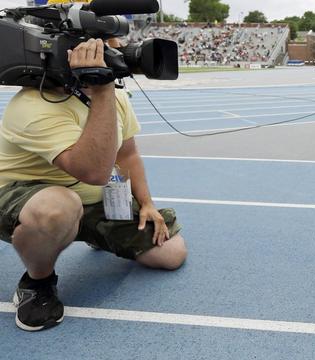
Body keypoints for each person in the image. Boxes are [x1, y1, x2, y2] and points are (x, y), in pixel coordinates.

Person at [0, 38, 188, 332]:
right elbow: (93, 171)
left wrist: (147, 204)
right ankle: (37, 283)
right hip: (25, 200)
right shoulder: (31, 105)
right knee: (58, 210)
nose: (118, 55)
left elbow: (127, 155)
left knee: (171, 253)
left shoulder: (116, 98)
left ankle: (91, 231)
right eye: (107, 49)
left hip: (90, 199)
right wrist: (102, 90)